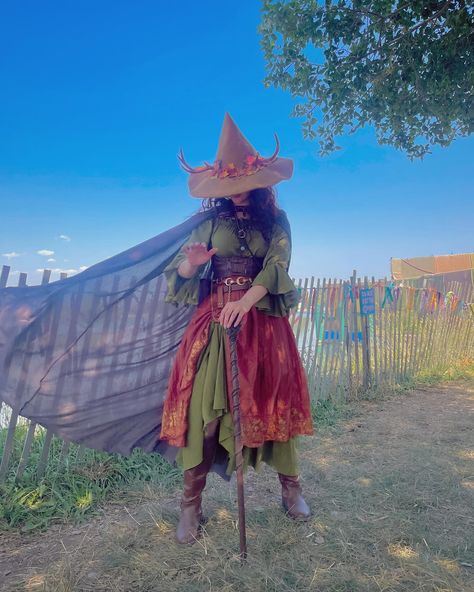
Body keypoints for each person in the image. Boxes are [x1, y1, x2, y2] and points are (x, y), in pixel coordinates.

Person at [159, 113, 314, 544]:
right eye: (228, 183)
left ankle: (291, 490)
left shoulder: (277, 221)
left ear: (261, 179)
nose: (236, 190)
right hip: (216, 324)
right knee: (204, 414)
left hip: (262, 320)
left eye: (242, 181)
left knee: (273, 401)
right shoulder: (209, 222)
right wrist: (192, 262)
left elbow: (278, 263)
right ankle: (191, 507)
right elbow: (182, 273)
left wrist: (247, 301)